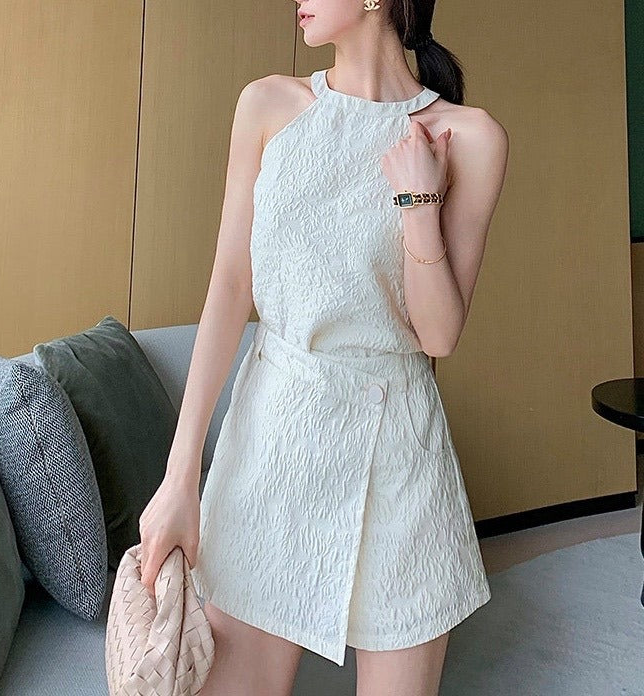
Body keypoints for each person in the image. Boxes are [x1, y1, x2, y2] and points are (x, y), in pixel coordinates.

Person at [138, 0, 509, 693]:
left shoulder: (468, 137)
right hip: (273, 448)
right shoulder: (267, 106)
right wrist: (179, 476)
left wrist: (419, 205)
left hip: (400, 459)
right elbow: (230, 286)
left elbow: (438, 335)